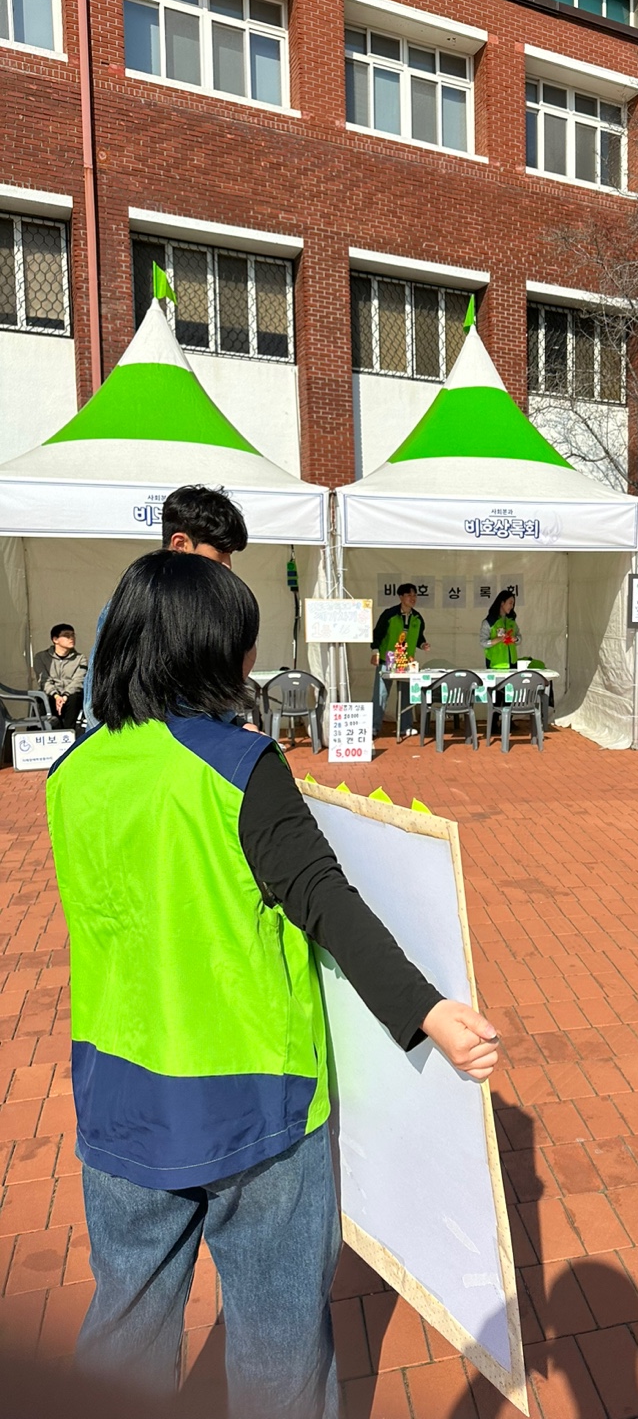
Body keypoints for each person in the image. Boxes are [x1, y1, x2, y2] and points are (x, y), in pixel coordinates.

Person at [47, 550, 499, 1418]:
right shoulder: (240, 764)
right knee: (279, 1348)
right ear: (209, 651)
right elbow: (324, 898)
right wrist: (427, 1010)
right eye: (242, 643)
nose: (251, 660)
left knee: (124, 1331)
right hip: (253, 1100)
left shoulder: (73, 772)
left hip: (117, 1096)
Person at [83, 485, 249, 727]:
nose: (227, 565)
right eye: (220, 552)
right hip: (136, 744)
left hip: (198, 742)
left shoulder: (212, 607)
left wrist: (233, 725)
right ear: (180, 543)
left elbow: (213, 695)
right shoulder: (136, 602)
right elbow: (96, 701)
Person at [370, 583, 431, 735]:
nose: (413, 598)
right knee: (381, 694)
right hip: (387, 660)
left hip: (406, 662)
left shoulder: (417, 618)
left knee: (406, 694)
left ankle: (406, 726)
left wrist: (423, 644)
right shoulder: (389, 614)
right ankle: (373, 726)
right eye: (409, 595)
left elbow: (419, 637)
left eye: (415, 595)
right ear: (401, 597)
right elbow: (377, 634)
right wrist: (375, 651)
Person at [34, 623, 87, 729]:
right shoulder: (41, 657)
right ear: (55, 639)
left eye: (73, 635)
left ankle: (70, 732)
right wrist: (56, 696)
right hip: (51, 695)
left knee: (75, 698)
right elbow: (43, 680)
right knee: (42, 699)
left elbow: (79, 680)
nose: (71, 638)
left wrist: (65, 695)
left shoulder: (80, 658)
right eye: (67, 635)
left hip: (71, 695)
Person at [480, 590, 521, 668]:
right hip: (495, 665)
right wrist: (498, 639)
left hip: (512, 663)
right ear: (502, 603)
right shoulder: (489, 622)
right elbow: (483, 642)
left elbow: (519, 637)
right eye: (510, 603)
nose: (512, 606)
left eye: (513, 604)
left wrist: (515, 639)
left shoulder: (511, 621)